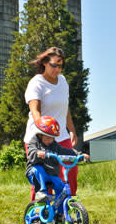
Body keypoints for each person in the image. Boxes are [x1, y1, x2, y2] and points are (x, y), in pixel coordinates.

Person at [24, 46, 80, 200]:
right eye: (54, 65)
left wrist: (72, 129)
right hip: (40, 137)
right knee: (43, 176)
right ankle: (39, 214)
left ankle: (68, 207)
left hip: (60, 135)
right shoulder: (37, 83)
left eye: (60, 66)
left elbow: (64, 107)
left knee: (71, 169)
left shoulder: (62, 81)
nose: (58, 69)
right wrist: (43, 134)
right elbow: (35, 111)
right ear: (44, 63)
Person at [26, 116, 89, 202]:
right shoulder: (34, 142)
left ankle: (60, 214)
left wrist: (80, 155)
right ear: (40, 134)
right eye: (48, 138)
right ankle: (41, 192)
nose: (50, 141)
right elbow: (31, 153)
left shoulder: (53, 145)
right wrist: (37, 153)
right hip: (35, 174)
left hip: (51, 174)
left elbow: (65, 151)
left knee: (61, 188)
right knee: (38, 169)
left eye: (52, 138)